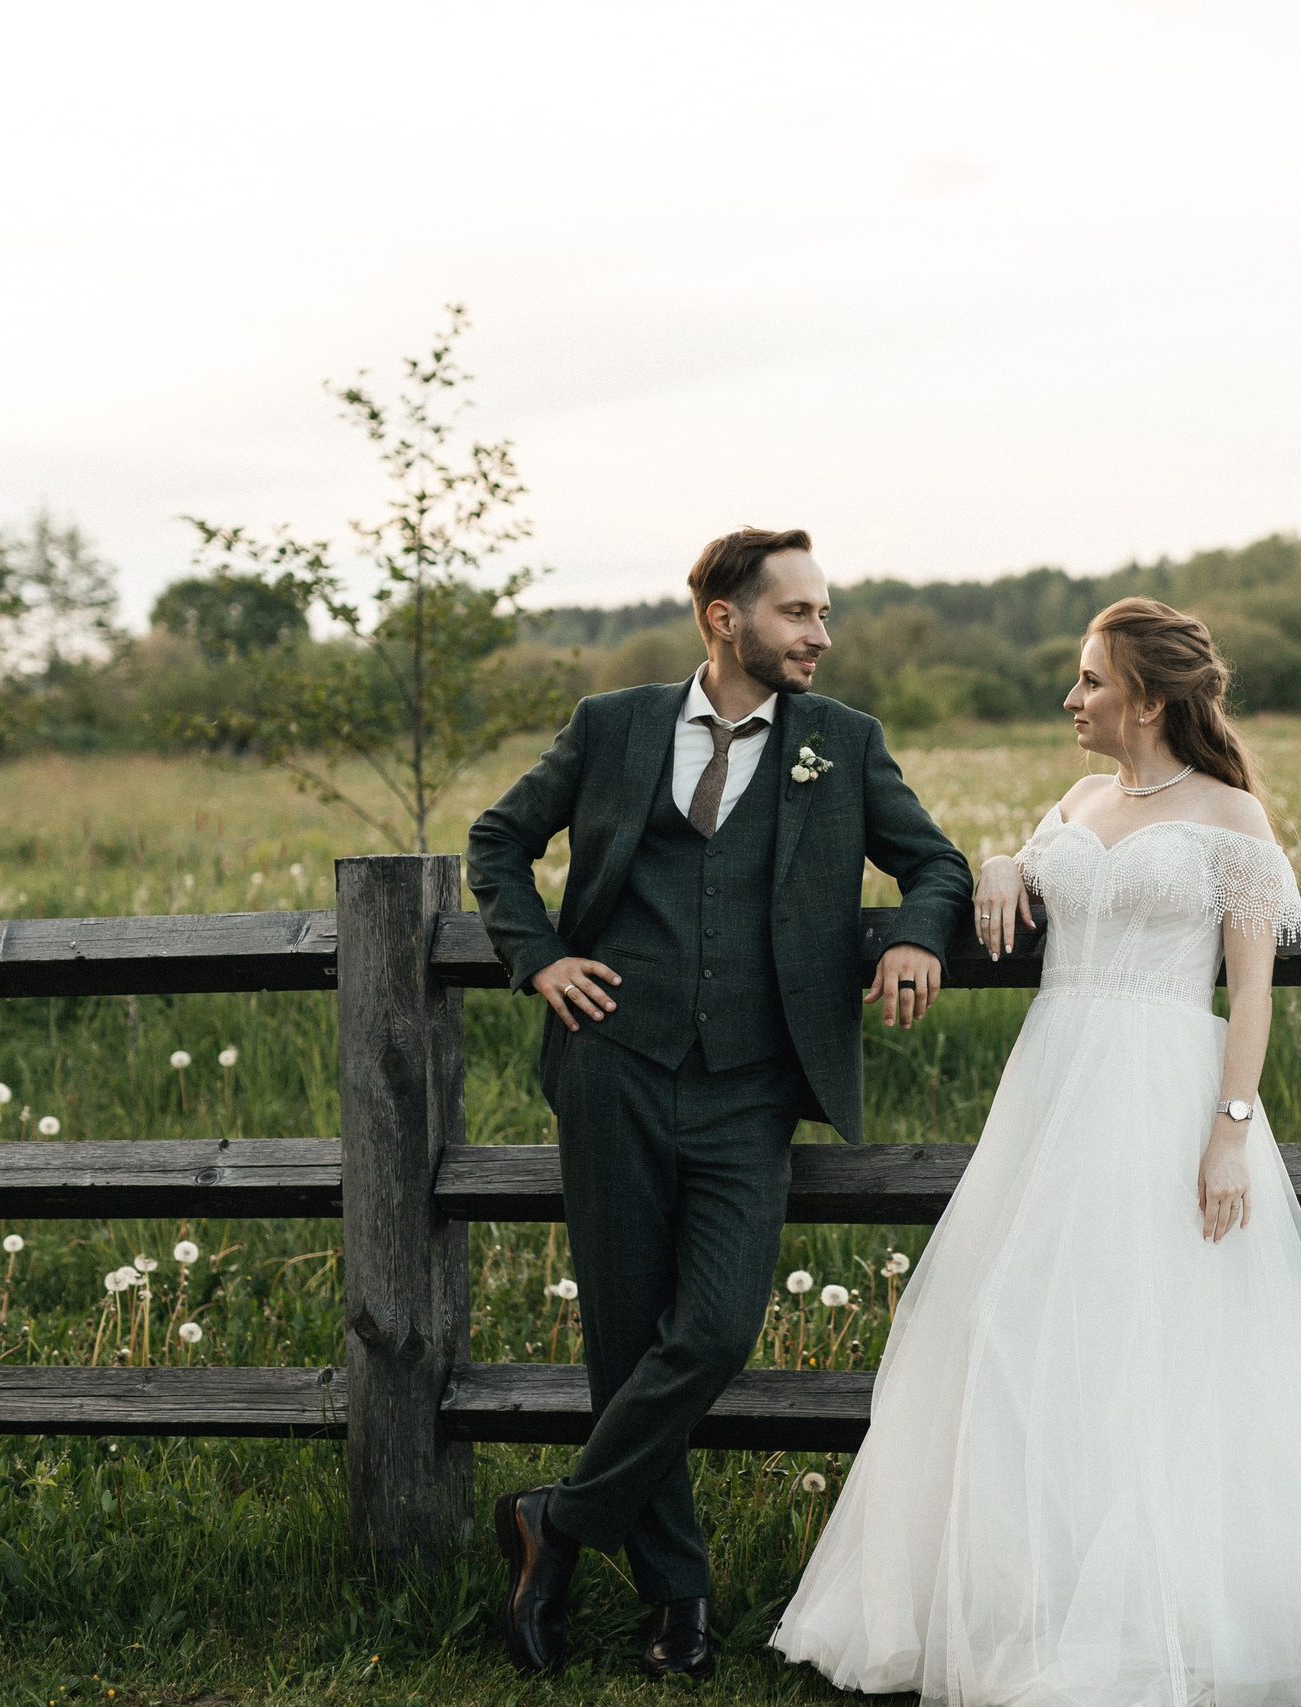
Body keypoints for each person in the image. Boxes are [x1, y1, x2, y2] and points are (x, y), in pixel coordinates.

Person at [773, 598, 1301, 1707]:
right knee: (1011, 1327)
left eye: (1091, 681)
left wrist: (1229, 1136)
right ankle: (1018, 1602)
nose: (1072, 698)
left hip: (1163, 1094)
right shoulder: (1080, 799)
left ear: (1147, 698)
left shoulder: (1232, 818)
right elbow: (1023, 872)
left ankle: (1164, 1612)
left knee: (1156, 1341)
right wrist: (1003, 860)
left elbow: (1250, 997)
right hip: (1052, 1092)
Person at [465, 526, 972, 1680]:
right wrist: (536, 956)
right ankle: (677, 1605)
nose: (820, 635)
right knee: (624, 1339)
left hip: (751, 1087)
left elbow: (932, 864)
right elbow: (497, 841)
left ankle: (559, 1521)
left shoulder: (842, 743)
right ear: (723, 619)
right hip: (611, 1068)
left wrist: (907, 938)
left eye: (823, 612)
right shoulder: (612, 727)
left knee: (712, 1332)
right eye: (798, 613)